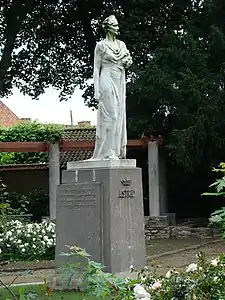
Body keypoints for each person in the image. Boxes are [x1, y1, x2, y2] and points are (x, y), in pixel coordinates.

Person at [91, 15, 132, 160]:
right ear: (108, 27)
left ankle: (114, 149)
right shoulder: (101, 46)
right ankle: (108, 152)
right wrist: (96, 90)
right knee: (111, 115)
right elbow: (96, 68)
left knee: (119, 115)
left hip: (119, 79)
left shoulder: (121, 45)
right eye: (115, 25)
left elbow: (127, 61)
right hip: (106, 78)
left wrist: (127, 62)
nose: (117, 28)